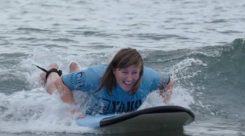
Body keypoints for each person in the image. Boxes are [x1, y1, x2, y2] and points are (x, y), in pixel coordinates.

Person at [40, 48, 174, 116]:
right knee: (53, 90)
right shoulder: (96, 76)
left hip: (85, 80)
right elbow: (61, 83)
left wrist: (164, 105)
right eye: (124, 72)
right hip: (86, 91)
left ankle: (75, 72)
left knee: (79, 80)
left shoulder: (149, 77)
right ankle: (51, 70)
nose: (129, 78)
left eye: (134, 73)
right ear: (114, 70)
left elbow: (168, 82)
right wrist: (74, 111)